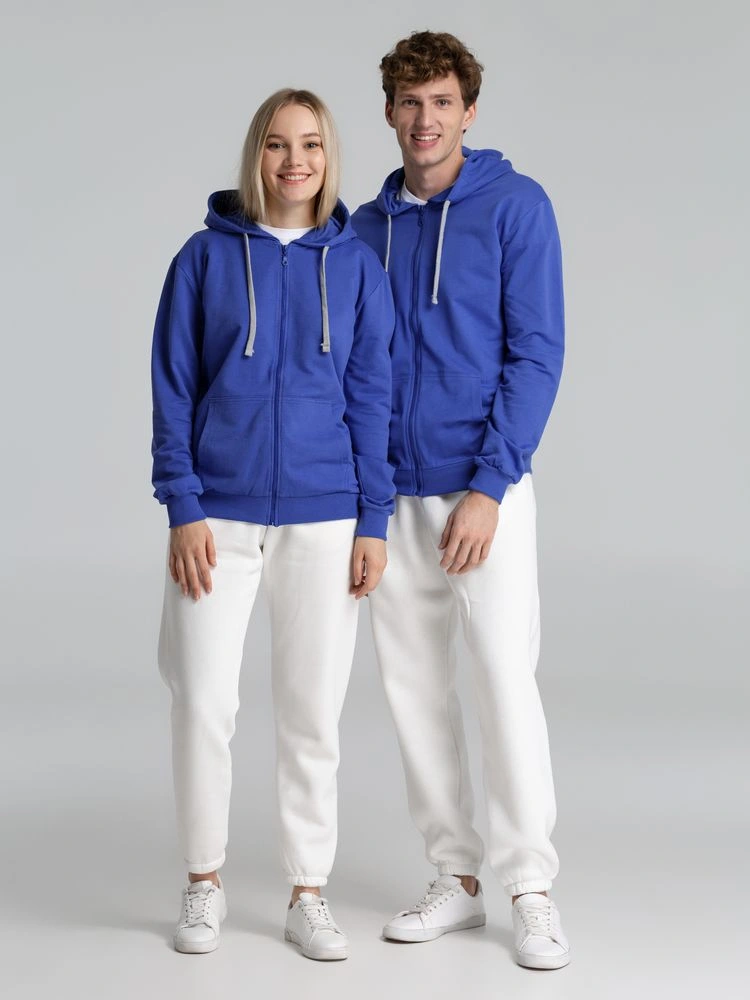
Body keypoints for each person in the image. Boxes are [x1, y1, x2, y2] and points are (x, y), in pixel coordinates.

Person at [151, 88, 394, 960]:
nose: (296, 162)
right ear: (256, 154)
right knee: (202, 703)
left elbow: (373, 395)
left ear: (330, 158)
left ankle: (307, 892)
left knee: (312, 713)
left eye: (312, 145)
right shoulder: (202, 259)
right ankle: (203, 881)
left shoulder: (356, 266)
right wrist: (182, 505)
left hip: (326, 517)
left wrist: (375, 518)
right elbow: (172, 387)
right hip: (217, 515)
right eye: (279, 145)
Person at [352, 32, 570, 969]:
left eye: (441, 101)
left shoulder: (517, 207)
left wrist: (490, 487)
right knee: (414, 691)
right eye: (409, 102)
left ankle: (530, 887)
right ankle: (458, 877)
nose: (425, 119)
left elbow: (537, 354)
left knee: (503, 679)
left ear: (469, 111)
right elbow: (354, 367)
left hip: (485, 488)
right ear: (388, 112)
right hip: (391, 493)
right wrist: (365, 498)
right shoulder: (365, 228)